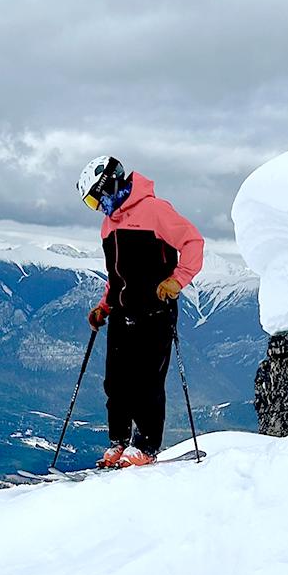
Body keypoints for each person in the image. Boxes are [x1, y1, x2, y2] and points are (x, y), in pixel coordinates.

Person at [77, 156, 205, 467]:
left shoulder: (155, 210)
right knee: (116, 382)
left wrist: (177, 280)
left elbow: (193, 241)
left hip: (155, 312)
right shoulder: (109, 226)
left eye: (97, 198)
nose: (98, 207)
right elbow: (117, 275)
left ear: (111, 184)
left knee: (147, 381)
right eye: (92, 203)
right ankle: (118, 441)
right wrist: (104, 305)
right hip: (122, 313)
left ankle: (146, 446)